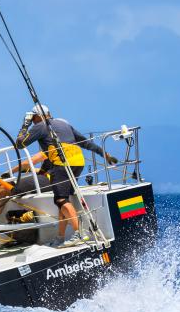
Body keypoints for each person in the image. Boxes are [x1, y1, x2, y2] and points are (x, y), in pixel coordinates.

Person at [16, 104, 117, 245]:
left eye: (32, 118)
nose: (32, 120)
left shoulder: (40, 126)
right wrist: (104, 154)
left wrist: (25, 125)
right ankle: (60, 237)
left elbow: (20, 144)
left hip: (62, 164)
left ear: (37, 116)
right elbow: (85, 143)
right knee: (63, 200)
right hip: (78, 162)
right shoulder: (64, 124)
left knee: (60, 200)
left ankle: (79, 234)